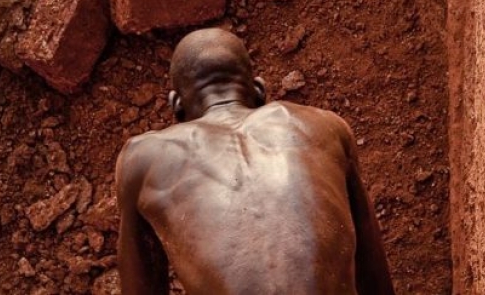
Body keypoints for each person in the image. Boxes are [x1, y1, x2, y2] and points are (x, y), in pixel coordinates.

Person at [115, 28, 394, 295]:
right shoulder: (324, 126)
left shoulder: (143, 159)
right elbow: (372, 271)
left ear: (177, 106)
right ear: (259, 90)